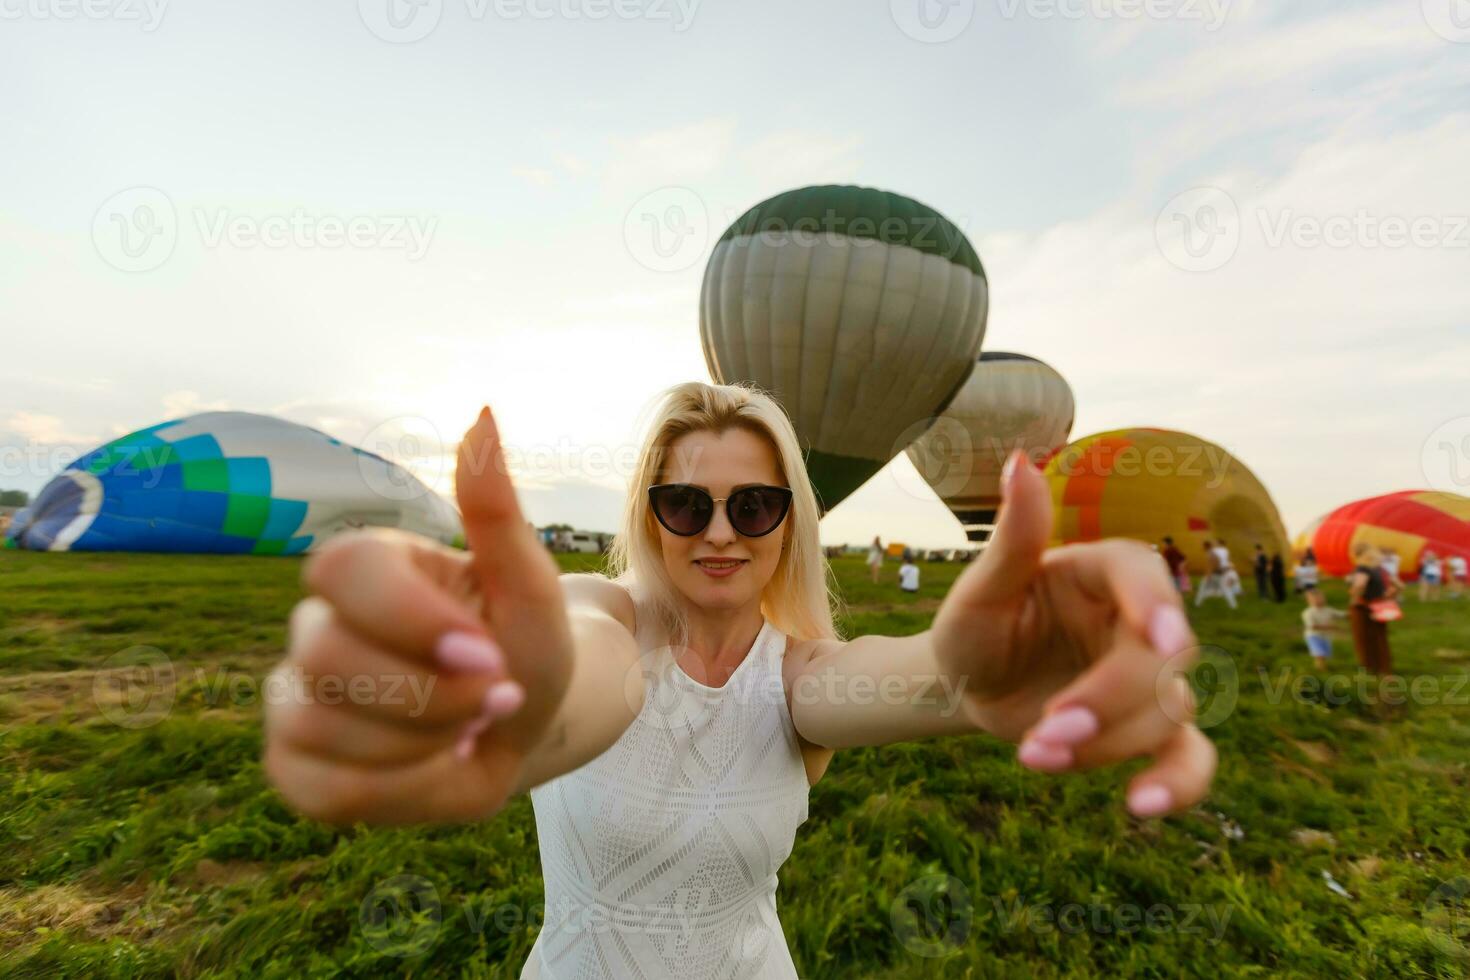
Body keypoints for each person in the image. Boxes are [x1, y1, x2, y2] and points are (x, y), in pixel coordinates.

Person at [261, 383, 1216, 980]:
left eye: (754, 505)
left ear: (792, 520)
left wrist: (975, 675)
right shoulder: (607, 619)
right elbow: (583, 673)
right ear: (650, 514)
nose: (720, 532)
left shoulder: (801, 678)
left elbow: (909, 679)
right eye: (686, 504)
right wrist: (512, 693)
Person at [1348, 542, 1398, 676]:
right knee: (1380, 638)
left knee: (1365, 639)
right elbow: (1398, 586)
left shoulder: (1362, 568)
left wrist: (1354, 598)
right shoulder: (1380, 569)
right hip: (1380, 606)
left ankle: (1371, 668)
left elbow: (1360, 585)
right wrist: (1387, 596)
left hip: (1364, 607)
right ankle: (1385, 667)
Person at [1300, 587, 1346, 671]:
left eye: (1321, 598)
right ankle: (1320, 668)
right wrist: (1330, 627)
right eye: (1315, 599)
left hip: (1325, 636)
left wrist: (1351, 613)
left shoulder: (1328, 610)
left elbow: (1341, 614)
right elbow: (1312, 626)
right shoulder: (1308, 612)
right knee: (1319, 653)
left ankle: (1322, 666)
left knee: (1325, 653)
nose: (1319, 600)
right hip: (1314, 636)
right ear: (1309, 601)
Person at [1195, 539, 1238, 609]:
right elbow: (1217, 562)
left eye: (1203, 546)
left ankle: (1198, 604)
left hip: (1214, 574)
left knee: (1202, 588)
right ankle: (1233, 605)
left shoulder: (1211, 553)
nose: (1202, 548)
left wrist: (1209, 574)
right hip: (1219, 573)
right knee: (1225, 589)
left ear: (1206, 547)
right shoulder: (1212, 552)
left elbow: (1214, 563)